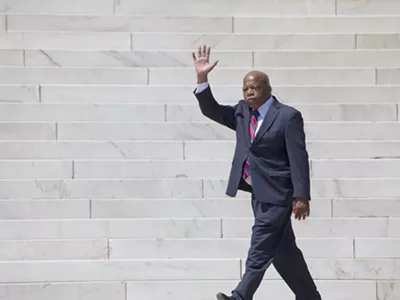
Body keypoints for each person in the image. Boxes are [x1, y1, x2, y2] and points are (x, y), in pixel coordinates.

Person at [192, 45, 323, 300]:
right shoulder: (242, 112)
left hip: (280, 195)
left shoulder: (287, 116)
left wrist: (301, 196)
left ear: (268, 89)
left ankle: (240, 297)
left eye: (255, 87)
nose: (249, 91)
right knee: (284, 253)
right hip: (259, 194)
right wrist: (202, 78)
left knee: (260, 247)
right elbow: (212, 110)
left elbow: (298, 158)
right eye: (245, 88)